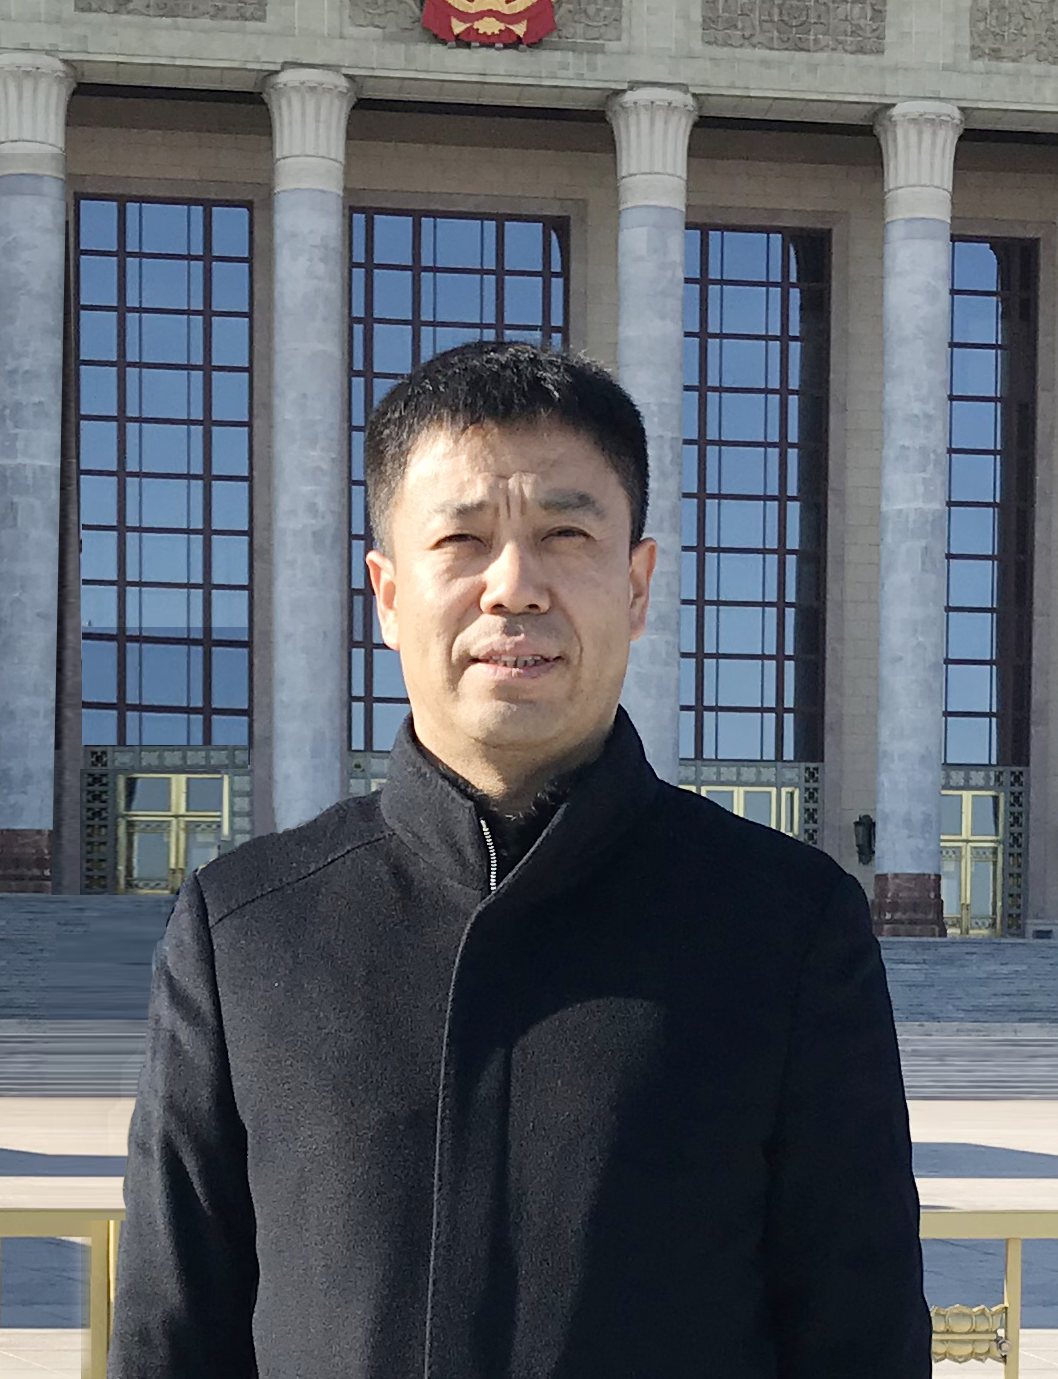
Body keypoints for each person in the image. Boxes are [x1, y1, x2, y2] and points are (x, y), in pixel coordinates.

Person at [107, 340, 931, 1379]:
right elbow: (173, 1337)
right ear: (387, 593)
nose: (513, 587)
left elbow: (860, 1337)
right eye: (461, 539)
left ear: (636, 586)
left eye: (564, 534)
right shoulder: (246, 931)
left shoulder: (785, 926)